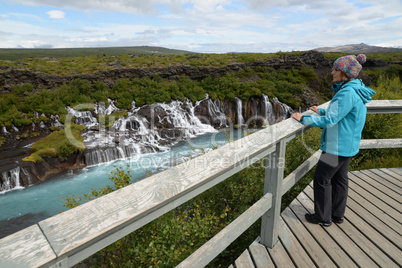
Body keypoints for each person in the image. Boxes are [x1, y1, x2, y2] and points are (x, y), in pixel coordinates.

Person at [291, 54, 376, 227]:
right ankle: (337, 215)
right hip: (348, 145)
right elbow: (343, 114)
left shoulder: (346, 93)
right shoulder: (356, 88)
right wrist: (321, 111)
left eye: (335, 69)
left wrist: (303, 119)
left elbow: (331, 120)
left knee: (321, 178)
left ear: (345, 73)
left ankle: (322, 217)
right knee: (340, 179)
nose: (332, 72)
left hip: (335, 147)